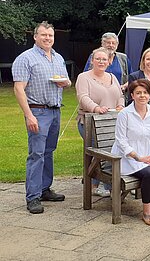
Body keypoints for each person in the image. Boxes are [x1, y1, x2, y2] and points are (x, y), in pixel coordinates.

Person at [12, 21, 71, 214]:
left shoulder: (57, 57)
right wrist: (29, 115)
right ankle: (33, 197)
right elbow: (19, 88)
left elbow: (65, 81)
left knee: (48, 151)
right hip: (37, 111)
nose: (47, 38)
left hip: (55, 111)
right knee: (36, 154)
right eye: (44, 35)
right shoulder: (25, 58)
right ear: (35, 36)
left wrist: (66, 83)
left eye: (50, 35)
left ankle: (45, 189)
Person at [111, 79, 150, 226]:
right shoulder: (125, 114)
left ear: (149, 95)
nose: (142, 96)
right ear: (132, 95)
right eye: (138, 93)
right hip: (129, 157)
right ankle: (146, 211)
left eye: (145, 93)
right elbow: (121, 141)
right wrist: (139, 158)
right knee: (149, 173)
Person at [75, 47, 125, 197]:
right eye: (98, 59)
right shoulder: (83, 77)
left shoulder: (112, 77)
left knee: (114, 150)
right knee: (102, 153)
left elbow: (120, 95)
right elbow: (83, 97)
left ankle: (106, 183)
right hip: (89, 123)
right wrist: (96, 108)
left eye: (104, 59)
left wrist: (121, 105)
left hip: (110, 123)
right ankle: (106, 185)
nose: (101, 61)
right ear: (92, 60)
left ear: (109, 62)